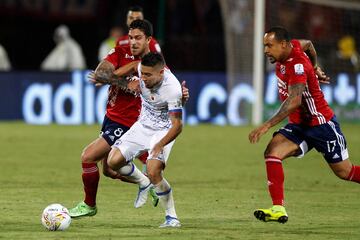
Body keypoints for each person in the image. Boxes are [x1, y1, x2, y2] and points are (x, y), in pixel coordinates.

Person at [69, 19, 189, 218]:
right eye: (131, 37)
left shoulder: (154, 63)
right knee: (108, 169)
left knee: (88, 157)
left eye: (138, 38)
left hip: (130, 122)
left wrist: (181, 95)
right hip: (112, 116)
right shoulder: (122, 52)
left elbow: (169, 86)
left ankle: (90, 205)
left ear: (148, 40)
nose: (133, 42)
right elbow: (100, 74)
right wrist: (123, 82)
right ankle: (146, 182)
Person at [248, 26, 360, 224]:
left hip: (321, 126)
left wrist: (266, 125)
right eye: (264, 45)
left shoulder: (297, 64)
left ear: (283, 45)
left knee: (345, 172)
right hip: (300, 126)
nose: (265, 50)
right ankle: (278, 208)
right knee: (272, 152)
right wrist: (316, 67)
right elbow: (308, 43)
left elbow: (295, 101)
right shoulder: (293, 49)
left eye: (269, 46)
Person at [102, 51, 182, 228]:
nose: (143, 78)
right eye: (142, 73)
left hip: (163, 131)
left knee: (154, 171)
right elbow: (133, 66)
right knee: (113, 161)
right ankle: (143, 182)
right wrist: (115, 78)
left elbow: (177, 125)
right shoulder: (141, 70)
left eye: (147, 75)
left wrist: (160, 145)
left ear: (161, 73)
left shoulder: (173, 89)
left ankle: (172, 217)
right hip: (142, 125)